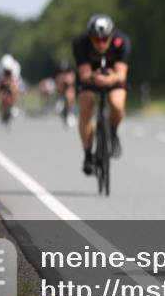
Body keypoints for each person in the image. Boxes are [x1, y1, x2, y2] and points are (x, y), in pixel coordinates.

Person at [72, 14, 130, 175]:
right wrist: (94, 77)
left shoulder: (121, 42)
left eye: (105, 39)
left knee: (117, 105)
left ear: (111, 36)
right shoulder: (80, 43)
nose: (101, 43)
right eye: (96, 40)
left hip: (113, 77)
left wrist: (111, 78)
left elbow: (122, 74)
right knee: (86, 103)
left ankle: (112, 132)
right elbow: (84, 74)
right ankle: (88, 154)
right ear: (90, 37)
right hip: (90, 77)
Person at [54, 58, 77, 126]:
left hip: (69, 89)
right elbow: (57, 83)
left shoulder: (71, 73)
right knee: (61, 85)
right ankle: (60, 99)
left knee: (70, 93)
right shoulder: (58, 74)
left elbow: (71, 82)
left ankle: (70, 112)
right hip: (61, 91)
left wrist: (67, 80)